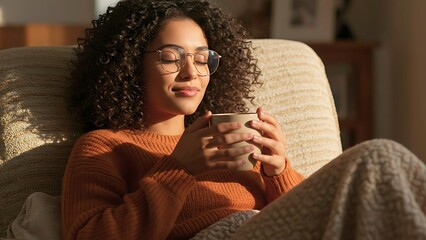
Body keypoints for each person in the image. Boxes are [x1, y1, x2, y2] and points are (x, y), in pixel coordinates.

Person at [62, 0, 426, 239]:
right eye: (171, 57)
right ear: (129, 65)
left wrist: (278, 170)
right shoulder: (103, 147)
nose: (192, 72)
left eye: (203, 58)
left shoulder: (229, 140)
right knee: (376, 156)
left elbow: (313, 219)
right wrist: (178, 170)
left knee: (380, 171)